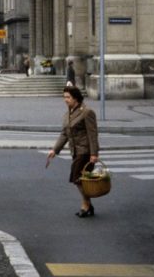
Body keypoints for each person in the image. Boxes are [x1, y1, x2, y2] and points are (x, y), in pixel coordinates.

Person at [47, 86, 100, 218]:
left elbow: (92, 135)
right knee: (80, 179)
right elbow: (64, 134)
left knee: (76, 177)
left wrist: (94, 154)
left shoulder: (87, 112)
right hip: (75, 151)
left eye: (68, 97)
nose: (65, 100)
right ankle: (88, 205)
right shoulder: (68, 114)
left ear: (75, 98)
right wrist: (55, 149)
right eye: (64, 97)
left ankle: (86, 204)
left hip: (85, 151)